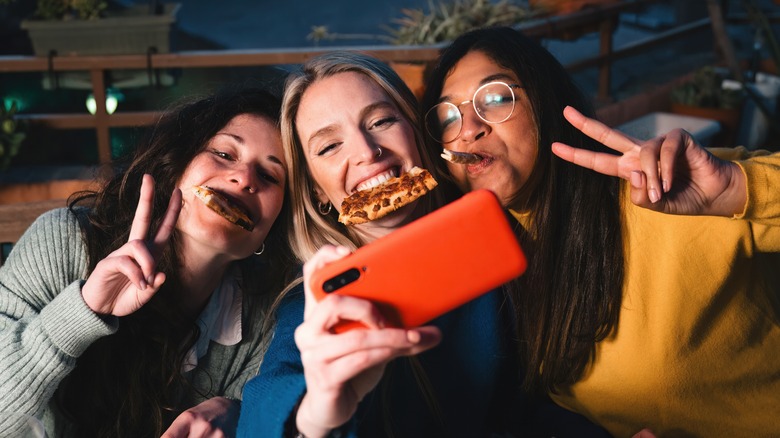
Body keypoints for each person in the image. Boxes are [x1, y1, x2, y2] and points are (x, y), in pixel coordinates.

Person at [421, 26, 780, 437]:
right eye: (448, 116)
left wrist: (735, 190)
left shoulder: (663, 196)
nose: (469, 128)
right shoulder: (490, 265)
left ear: (547, 102)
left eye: (496, 98)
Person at [236, 51, 544, 438]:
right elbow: (269, 403)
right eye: (329, 146)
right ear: (316, 191)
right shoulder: (322, 300)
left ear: (415, 132)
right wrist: (314, 414)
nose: (367, 152)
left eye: (381, 121)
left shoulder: (493, 235)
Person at [0, 86, 295, 437]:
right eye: (224, 153)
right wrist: (82, 311)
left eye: (269, 176)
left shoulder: (269, 316)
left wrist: (238, 411)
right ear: (178, 166)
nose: (245, 178)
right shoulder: (64, 243)